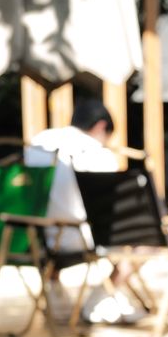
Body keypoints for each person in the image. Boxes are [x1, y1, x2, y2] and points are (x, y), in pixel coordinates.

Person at [24, 97, 119, 253]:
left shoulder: (39, 141)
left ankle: (53, 274)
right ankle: (117, 276)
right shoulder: (99, 154)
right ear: (101, 127)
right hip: (81, 239)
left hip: (36, 238)